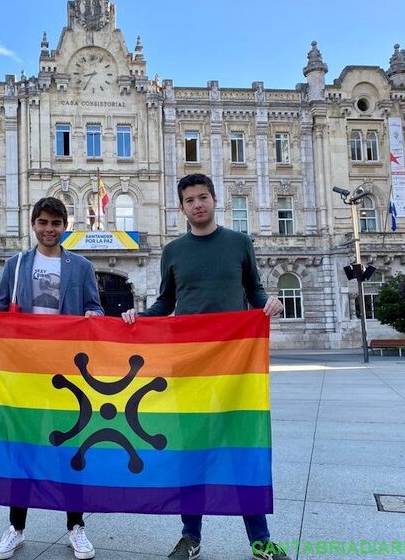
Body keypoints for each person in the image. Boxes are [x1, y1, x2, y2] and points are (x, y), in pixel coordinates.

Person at [121, 173, 289, 560]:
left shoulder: (239, 243)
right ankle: (190, 536)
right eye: (190, 200)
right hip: (188, 366)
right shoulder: (174, 251)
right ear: (181, 208)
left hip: (234, 367)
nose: (197, 204)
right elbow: (165, 303)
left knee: (241, 450)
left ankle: (260, 539)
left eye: (203, 197)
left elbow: (255, 289)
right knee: (191, 451)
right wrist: (139, 319)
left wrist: (270, 302)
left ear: (215, 200)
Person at [0, 197, 103, 560]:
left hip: (67, 372)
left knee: (70, 449)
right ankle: (16, 528)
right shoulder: (17, 263)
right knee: (21, 448)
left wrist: (91, 315)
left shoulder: (82, 266)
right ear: (33, 224)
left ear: (65, 226)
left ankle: (76, 527)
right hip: (24, 372)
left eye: (56, 223)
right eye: (43, 222)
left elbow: (96, 306)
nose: (49, 229)